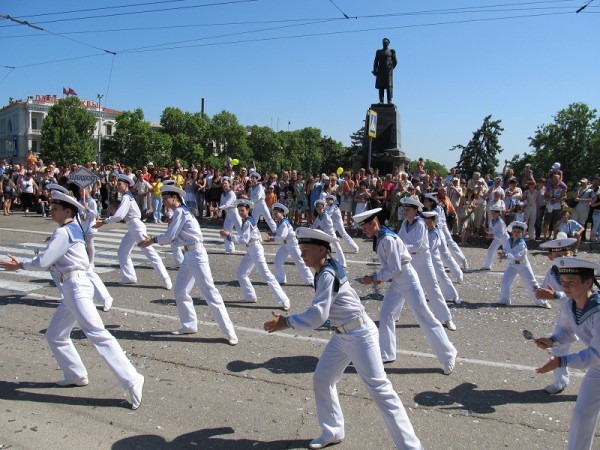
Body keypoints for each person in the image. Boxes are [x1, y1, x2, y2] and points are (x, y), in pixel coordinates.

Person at [263, 227, 423, 450]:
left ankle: (411, 447)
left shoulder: (327, 273)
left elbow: (319, 315)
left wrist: (287, 322)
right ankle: (333, 431)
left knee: (381, 391)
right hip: (342, 334)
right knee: (322, 379)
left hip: (359, 334)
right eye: (300, 250)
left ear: (321, 250)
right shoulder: (323, 268)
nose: (301, 255)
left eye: (306, 250)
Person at [0, 192, 144, 409]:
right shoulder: (72, 229)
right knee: (55, 335)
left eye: (55, 208)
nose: (51, 211)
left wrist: (20, 265)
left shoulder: (63, 232)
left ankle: (132, 378)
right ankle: (75, 374)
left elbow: (44, 261)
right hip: (72, 287)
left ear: (68, 211)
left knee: (97, 333)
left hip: (75, 286)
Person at [138, 185, 238, 344]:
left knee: (210, 292)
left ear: (174, 198)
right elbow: (175, 239)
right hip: (189, 255)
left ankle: (229, 331)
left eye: (165, 197)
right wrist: (157, 239)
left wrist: (151, 240)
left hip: (197, 255)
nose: (163, 200)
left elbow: (169, 236)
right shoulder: (180, 212)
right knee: (180, 291)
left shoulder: (180, 212)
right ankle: (189, 325)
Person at [534, 257, 600, 450]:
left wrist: (561, 361)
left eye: (571, 283)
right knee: (582, 413)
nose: (565, 287)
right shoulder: (570, 303)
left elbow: (595, 355)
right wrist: (552, 340)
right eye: (563, 283)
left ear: (588, 282)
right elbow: (567, 330)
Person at [93, 174, 172, 289]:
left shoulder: (126, 197)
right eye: (117, 184)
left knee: (150, 252)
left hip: (136, 226)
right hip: (132, 226)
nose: (117, 186)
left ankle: (165, 278)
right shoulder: (127, 196)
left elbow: (119, 215)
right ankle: (129, 276)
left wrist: (104, 222)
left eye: (120, 184)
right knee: (122, 251)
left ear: (126, 185)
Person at [398, 197, 457, 330]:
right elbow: (400, 238)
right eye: (404, 209)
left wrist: (400, 248)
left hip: (422, 258)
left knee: (433, 288)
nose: (405, 212)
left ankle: (446, 318)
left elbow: (418, 244)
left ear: (415, 210)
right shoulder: (404, 224)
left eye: (407, 209)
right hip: (409, 258)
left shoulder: (420, 223)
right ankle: (393, 315)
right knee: (401, 285)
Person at [219, 199, 290, 310]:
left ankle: (284, 300)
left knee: (267, 275)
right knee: (241, 273)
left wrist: (229, 236)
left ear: (248, 210)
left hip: (255, 249)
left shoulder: (247, 222)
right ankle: (250, 296)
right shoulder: (248, 220)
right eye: (239, 210)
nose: (240, 212)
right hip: (251, 249)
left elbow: (244, 240)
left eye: (242, 210)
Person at [534, 234, 577, 394]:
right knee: (558, 347)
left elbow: (579, 295)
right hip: (567, 314)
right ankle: (560, 382)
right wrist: (540, 293)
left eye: (565, 254)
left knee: (595, 351)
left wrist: (555, 295)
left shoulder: (579, 270)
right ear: (550, 257)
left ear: (571, 254)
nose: (562, 257)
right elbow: (545, 289)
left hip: (588, 316)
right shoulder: (552, 272)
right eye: (557, 255)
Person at [496, 221, 551, 308]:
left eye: (518, 232)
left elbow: (518, 256)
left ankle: (542, 301)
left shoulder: (522, 243)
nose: (516, 233)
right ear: (512, 231)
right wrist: (502, 254)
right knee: (505, 282)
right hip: (512, 265)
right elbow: (506, 250)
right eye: (514, 231)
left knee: (532, 283)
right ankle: (504, 300)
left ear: (522, 233)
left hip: (523, 265)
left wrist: (506, 256)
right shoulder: (508, 240)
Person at [264, 202, 314, 286]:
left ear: (282, 214)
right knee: (277, 261)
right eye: (273, 213)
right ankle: (281, 279)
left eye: (276, 213)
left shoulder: (284, 223)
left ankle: (311, 280)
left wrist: (272, 239)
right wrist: (273, 234)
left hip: (292, 243)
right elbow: (279, 233)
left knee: (300, 262)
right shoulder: (280, 222)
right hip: (286, 244)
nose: (274, 215)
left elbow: (282, 236)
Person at [423, 211, 462, 305]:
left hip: (434, 258)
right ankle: (424, 293)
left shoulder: (435, 233)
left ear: (434, 222)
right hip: (427, 257)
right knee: (425, 276)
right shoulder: (426, 231)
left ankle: (453, 295)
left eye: (429, 222)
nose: (427, 224)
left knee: (442, 276)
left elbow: (431, 247)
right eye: (426, 222)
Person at [311, 199, 348, 268]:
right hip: (324, 235)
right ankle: (321, 261)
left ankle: (343, 262)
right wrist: (311, 228)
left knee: (337, 246)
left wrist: (322, 230)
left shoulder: (326, 215)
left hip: (330, 233)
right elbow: (315, 224)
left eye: (320, 209)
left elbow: (329, 225)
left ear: (323, 208)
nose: (319, 210)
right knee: (322, 248)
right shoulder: (318, 217)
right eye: (317, 209)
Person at [218, 176, 242, 254]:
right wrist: (220, 211)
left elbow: (227, 204)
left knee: (241, 230)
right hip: (228, 214)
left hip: (234, 213)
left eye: (225, 183)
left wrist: (219, 208)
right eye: (223, 184)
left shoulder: (232, 193)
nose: (224, 185)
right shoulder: (222, 194)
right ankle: (230, 249)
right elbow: (222, 204)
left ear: (229, 184)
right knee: (226, 231)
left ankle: (251, 246)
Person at [481, 205, 508, 271]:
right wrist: (488, 231)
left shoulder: (501, 222)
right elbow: (491, 230)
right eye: (492, 213)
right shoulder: (492, 221)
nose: (492, 214)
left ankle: (512, 266)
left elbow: (502, 233)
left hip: (504, 238)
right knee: (490, 250)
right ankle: (487, 266)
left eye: (494, 213)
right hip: (497, 238)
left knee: (507, 252)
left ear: (498, 213)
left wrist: (492, 235)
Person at [372, 37, 398, 104]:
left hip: (388, 72)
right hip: (380, 72)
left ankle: (389, 100)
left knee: (388, 86)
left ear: (388, 43)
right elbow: (375, 61)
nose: (384, 44)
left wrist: (391, 69)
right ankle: (381, 100)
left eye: (386, 43)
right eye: (383, 42)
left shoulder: (391, 52)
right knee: (381, 87)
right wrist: (374, 70)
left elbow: (395, 62)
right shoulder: (379, 52)